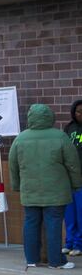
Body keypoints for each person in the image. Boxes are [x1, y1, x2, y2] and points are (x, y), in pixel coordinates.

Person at [10, 104, 82, 269]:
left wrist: (17, 186)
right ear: (50, 117)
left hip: (30, 190)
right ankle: (56, 261)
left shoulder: (20, 138)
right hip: (56, 191)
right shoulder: (60, 137)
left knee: (30, 223)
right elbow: (73, 164)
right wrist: (76, 184)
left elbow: (13, 166)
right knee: (54, 225)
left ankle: (31, 259)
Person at [64, 100, 82, 257]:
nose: (80, 114)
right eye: (78, 112)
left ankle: (79, 244)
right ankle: (69, 242)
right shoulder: (69, 128)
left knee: (80, 214)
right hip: (69, 180)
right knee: (69, 215)